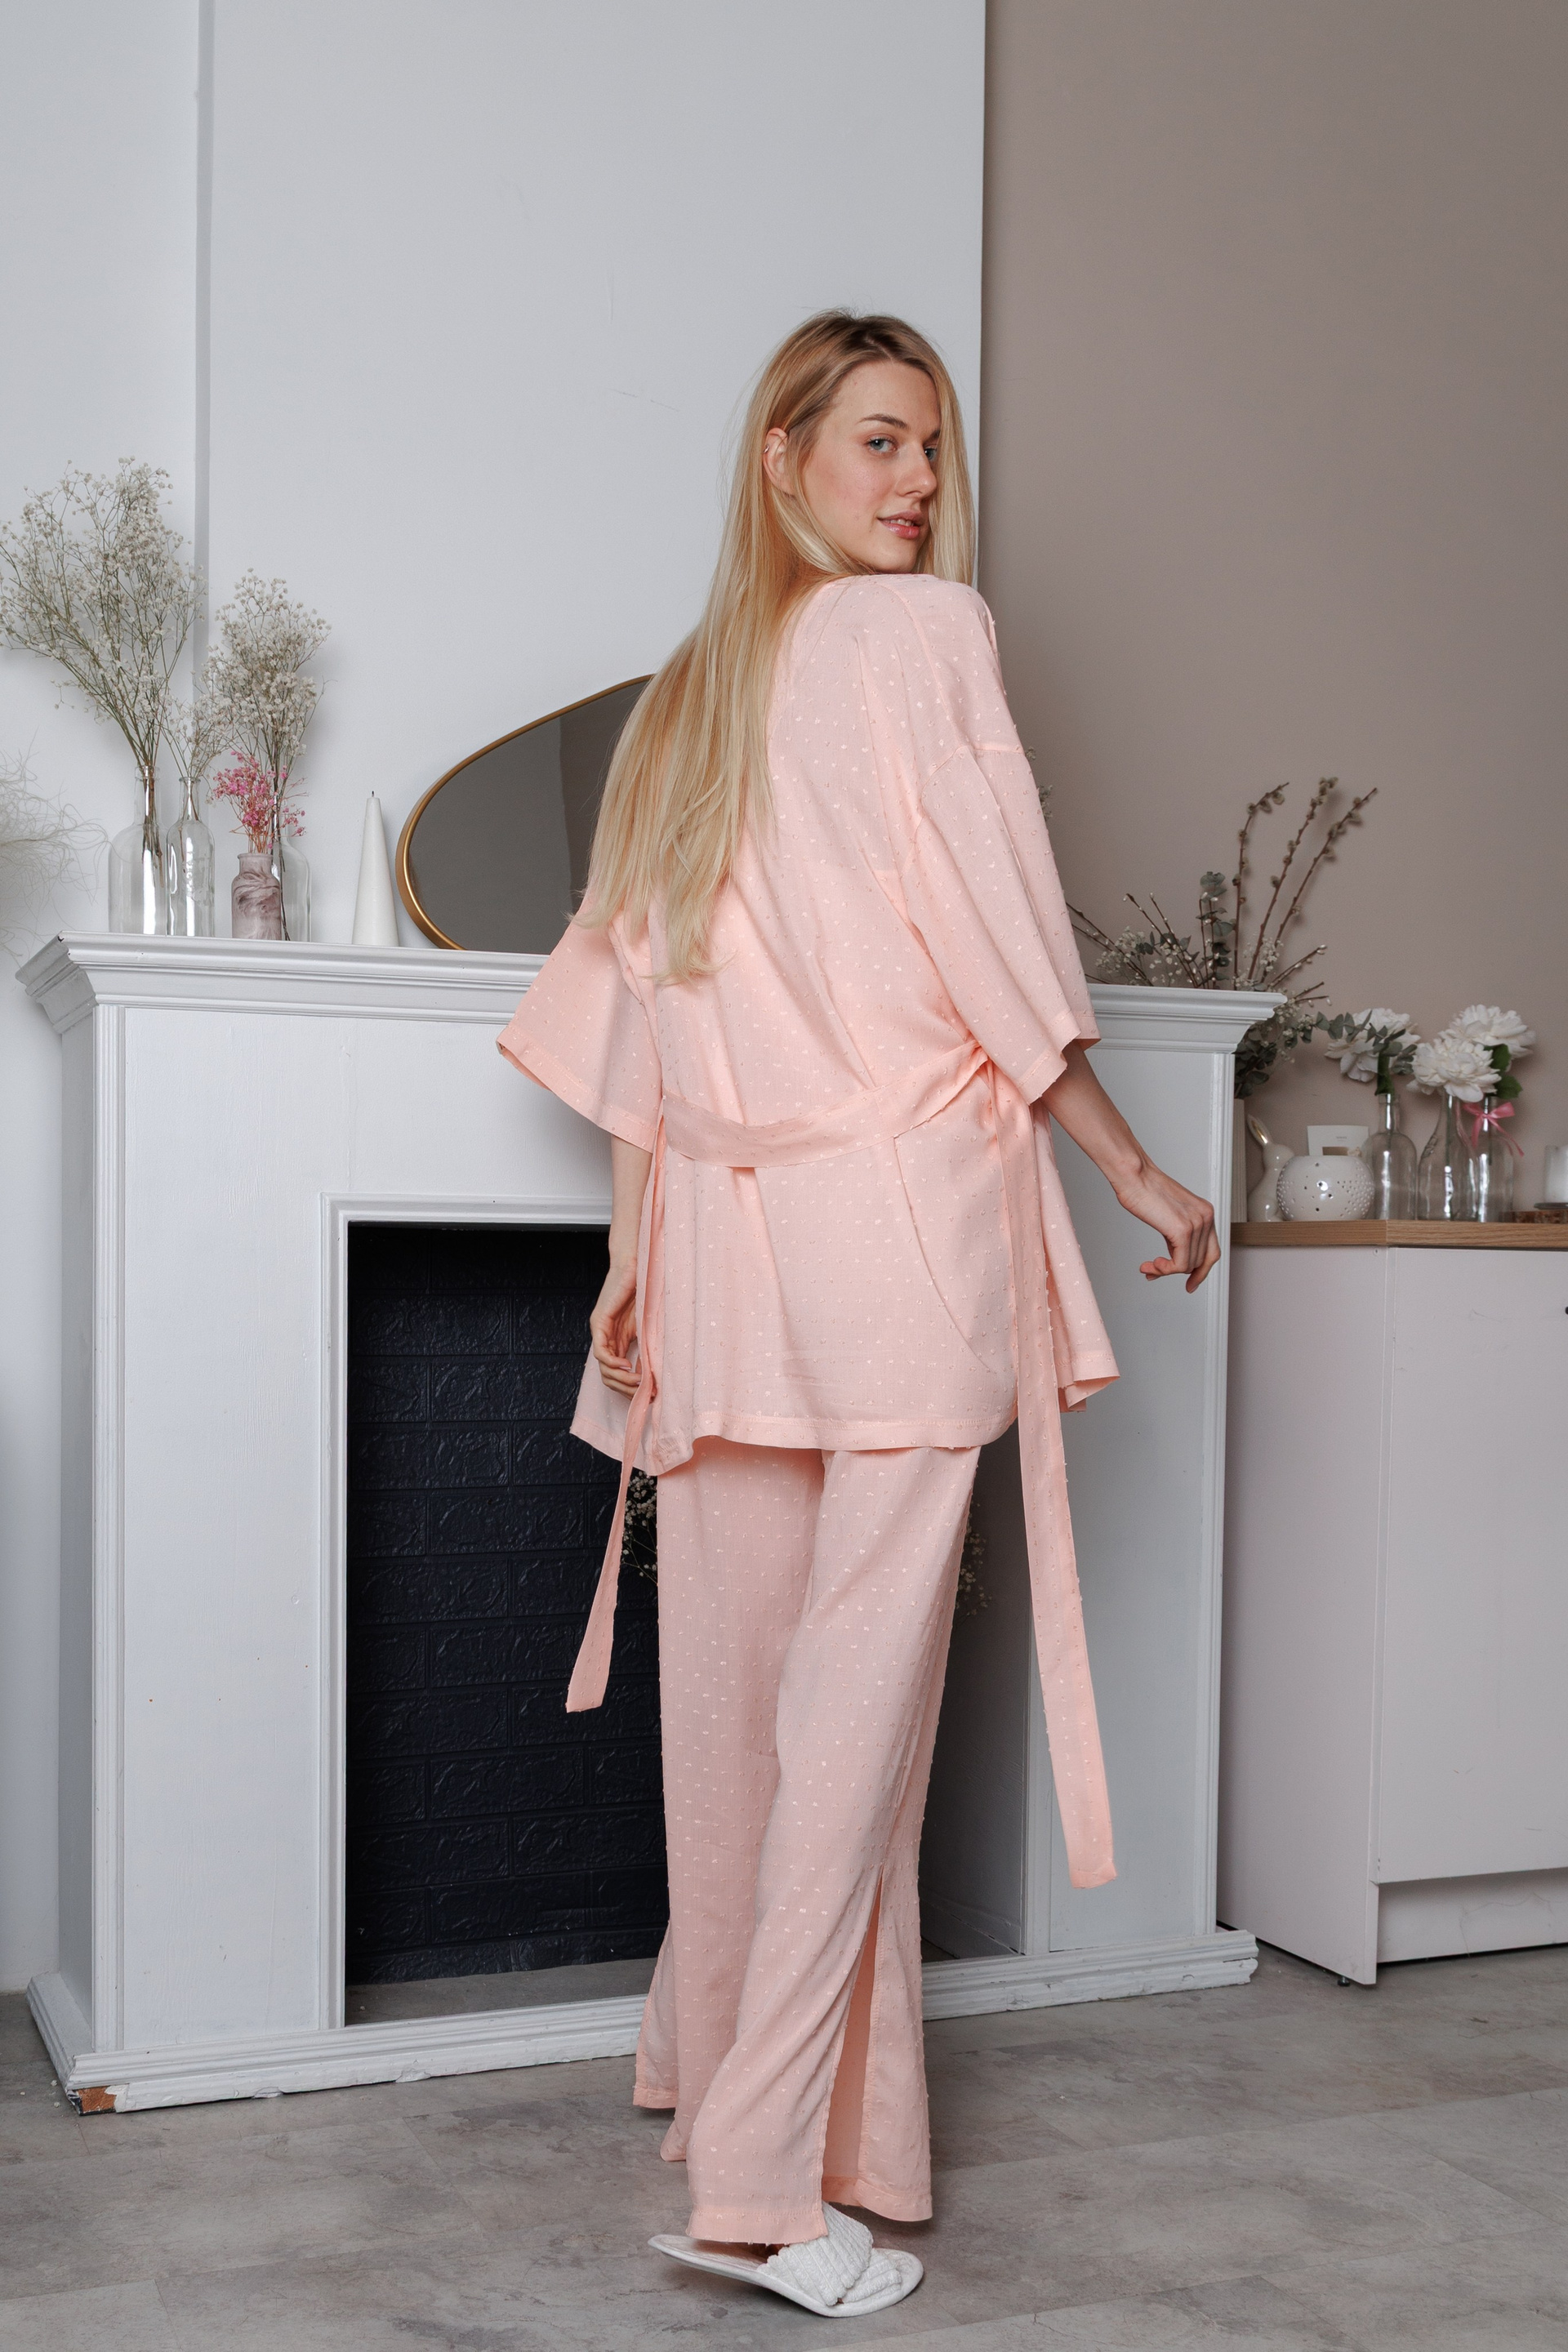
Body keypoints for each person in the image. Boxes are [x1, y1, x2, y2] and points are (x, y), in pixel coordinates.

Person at [497, 310, 1218, 2319]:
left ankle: (745, 2092)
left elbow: (634, 1001)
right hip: (894, 1239)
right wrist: (1130, 1162)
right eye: (881, 441)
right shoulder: (921, 637)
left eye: (931, 448)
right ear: (786, 454)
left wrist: (631, 1257)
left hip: (728, 1251)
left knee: (741, 1719)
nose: (915, 483)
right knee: (847, 1732)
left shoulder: (691, 694)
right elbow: (995, 937)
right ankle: (764, 2185)